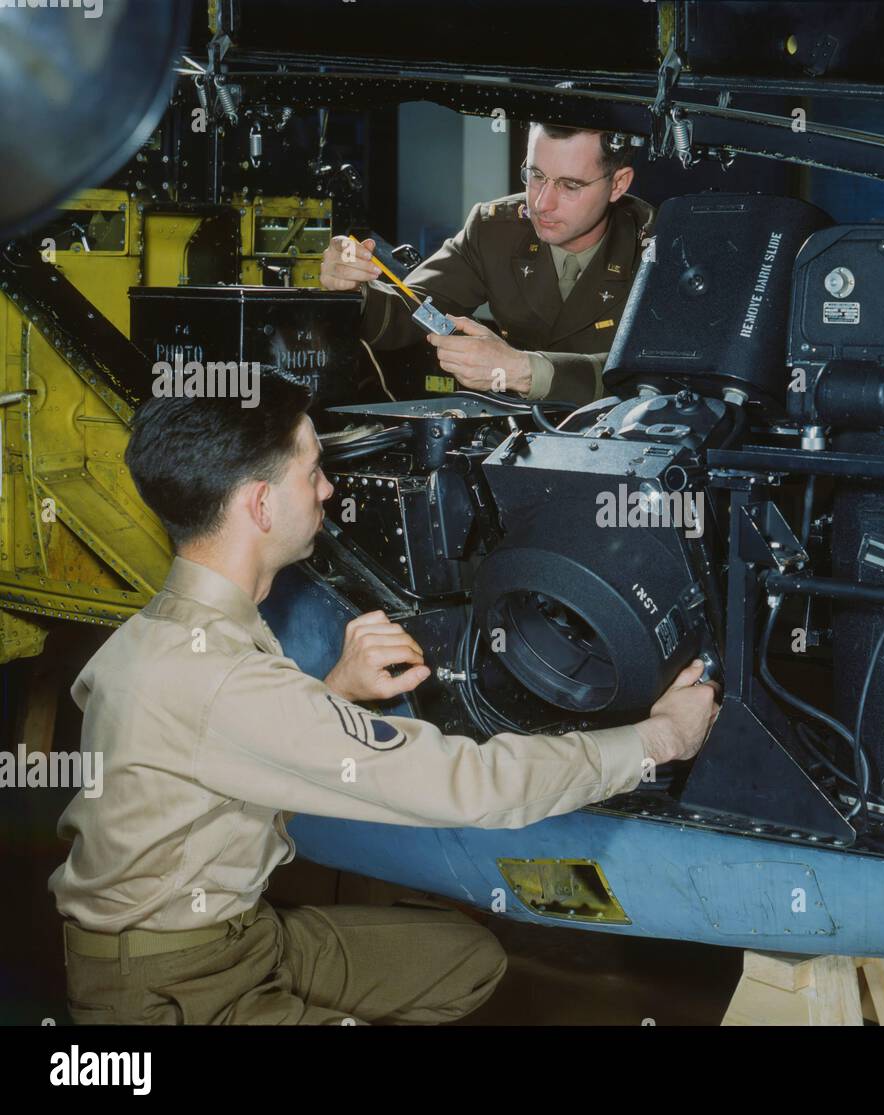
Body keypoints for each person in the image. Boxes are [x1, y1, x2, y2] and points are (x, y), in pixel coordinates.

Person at [48, 375, 717, 1025]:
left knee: (464, 958)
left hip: (243, 936)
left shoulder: (169, 633)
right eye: (311, 474)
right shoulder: (220, 678)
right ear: (258, 506)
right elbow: (471, 787)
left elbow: (221, 748)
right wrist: (659, 740)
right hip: (169, 989)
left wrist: (333, 693)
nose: (328, 490)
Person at [320, 122, 654, 406]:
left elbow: (656, 377)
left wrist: (522, 370)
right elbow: (415, 309)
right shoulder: (495, 230)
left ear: (619, 184)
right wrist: (356, 291)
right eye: (536, 175)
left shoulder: (658, 247)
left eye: (570, 185)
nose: (541, 203)